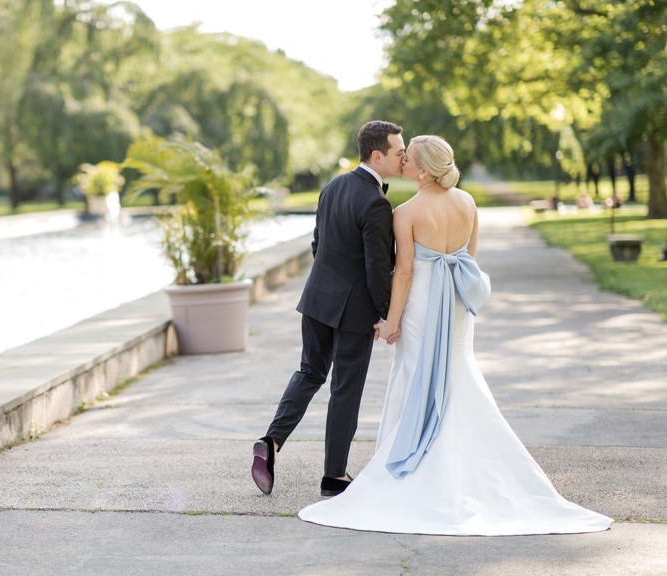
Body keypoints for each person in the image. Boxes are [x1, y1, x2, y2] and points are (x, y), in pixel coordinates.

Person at [297, 135, 612, 534]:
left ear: (424, 170)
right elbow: (469, 259)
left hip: (423, 304)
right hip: (459, 303)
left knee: (414, 375)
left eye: (408, 158)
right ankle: (468, 464)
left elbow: (406, 273)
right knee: (460, 373)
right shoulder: (468, 203)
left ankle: (413, 464)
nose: (403, 161)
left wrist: (390, 320)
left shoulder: (405, 213)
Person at [251, 120, 403, 497]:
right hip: (353, 312)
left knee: (309, 373)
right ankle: (334, 475)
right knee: (345, 390)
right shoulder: (376, 203)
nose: (403, 158)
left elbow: (318, 244)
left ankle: (271, 441)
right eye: (398, 153)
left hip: (318, 299)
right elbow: (377, 268)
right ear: (377, 155)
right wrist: (386, 315)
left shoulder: (332, 185)